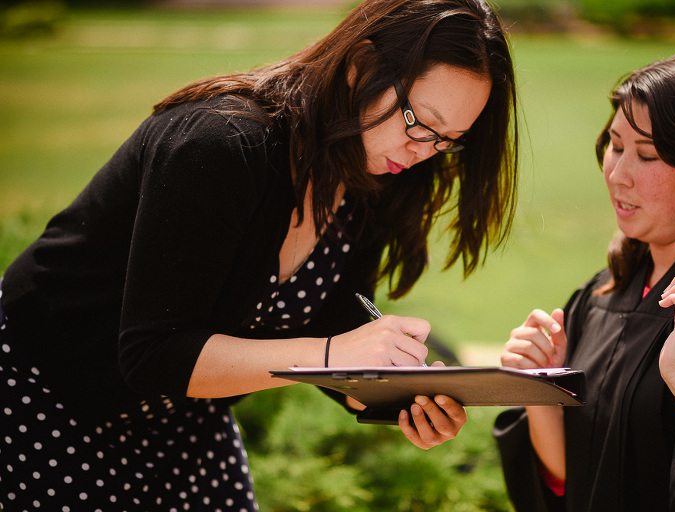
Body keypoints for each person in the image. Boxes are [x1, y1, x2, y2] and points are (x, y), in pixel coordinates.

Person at [0, 0, 519, 509]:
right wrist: (335, 355)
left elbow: (331, 328)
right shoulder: (220, 144)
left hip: (182, 420)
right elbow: (154, 353)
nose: (423, 150)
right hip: (42, 398)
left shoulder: (372, 176)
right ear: (360, 66)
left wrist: (398, 395)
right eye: (418, 121)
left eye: (447, 140)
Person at [495, 54, 675, 511]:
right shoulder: (600, 296)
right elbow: (576, 481)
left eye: (648, 155)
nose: (618, 175)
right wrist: (538, 389)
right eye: (615, 146)